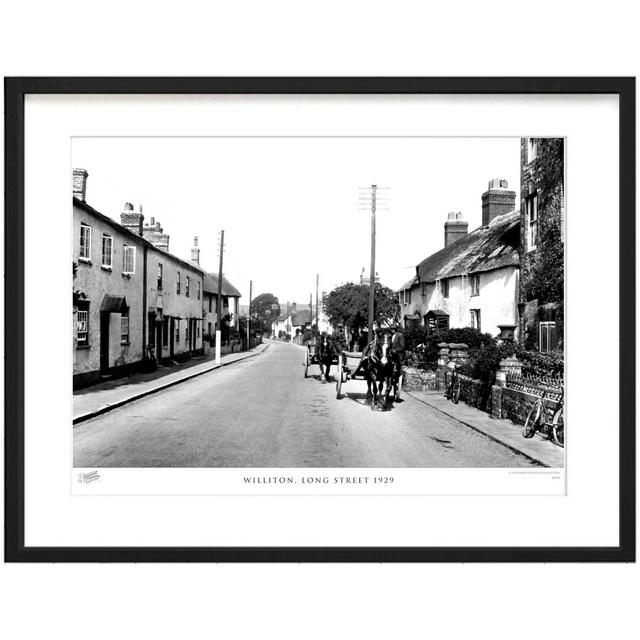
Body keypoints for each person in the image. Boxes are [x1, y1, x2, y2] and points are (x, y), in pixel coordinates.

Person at [389, 324, 406, 398]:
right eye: (391, 329)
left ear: (396, 329)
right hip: (390, 354)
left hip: (397, 355)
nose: (392, 330)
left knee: (396, 364)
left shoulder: (400, 335)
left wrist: (395, 350)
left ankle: (395, 371)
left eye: (394, 329)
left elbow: (402, 347)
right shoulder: (389, 336)